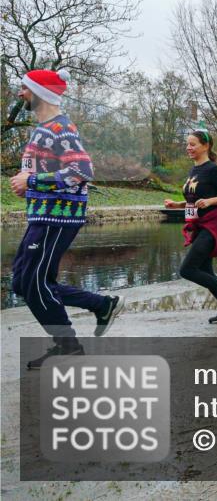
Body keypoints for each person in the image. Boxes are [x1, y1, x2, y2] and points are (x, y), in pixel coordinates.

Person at [9, 69, 124, 369]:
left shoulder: (61, 129)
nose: (20, 93)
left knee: (35, 282)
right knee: (22, 283)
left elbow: (82, 172)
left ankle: (69, 348)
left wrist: (31, 182)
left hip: (56, 219)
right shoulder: (44, 129)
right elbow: (56, 174)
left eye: (24, 87)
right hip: (43, 216)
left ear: (39, 92)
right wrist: (30, 186)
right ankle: (101, 305)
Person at [163, 128, 217, 324]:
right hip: (199, 225)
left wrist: (210, 201)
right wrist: (177, 204)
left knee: (187, 269)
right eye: (187, 144)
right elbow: (194, 199)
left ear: (205, 146)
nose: (188, 148)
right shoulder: (194, 170)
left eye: (192, 144)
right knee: (205, 270)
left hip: (212, 225)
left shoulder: (213, 169)